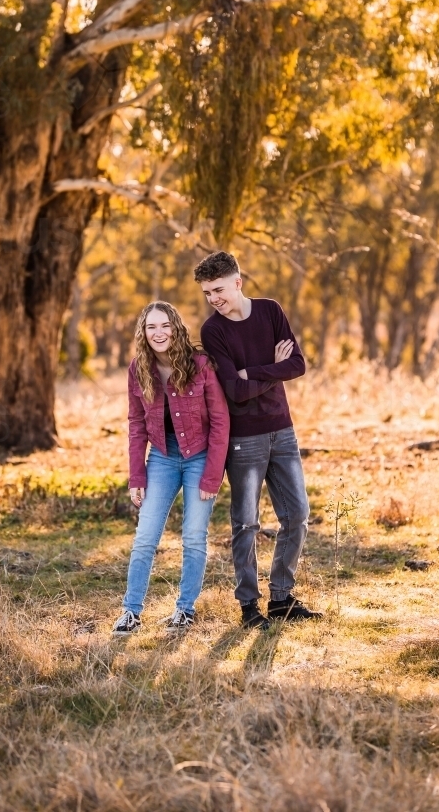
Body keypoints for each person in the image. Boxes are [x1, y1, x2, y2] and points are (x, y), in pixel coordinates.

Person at [194, 251, 321, 630]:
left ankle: (281, 598)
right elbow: (234, 389)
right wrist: (272, 369)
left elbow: (296, 364)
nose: (213, 298)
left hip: (282, 430)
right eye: (206, 293)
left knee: (297, 516)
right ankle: (249, 606)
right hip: (243, 439)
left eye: (218, 289)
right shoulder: (213, 331)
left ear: (237, 281)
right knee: (246, 523)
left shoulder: (269, 311)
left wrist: (255, 370)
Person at [113, 301, 230, 635]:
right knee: (145, 537)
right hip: (162, 458)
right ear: (144, 333)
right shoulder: (138, 369)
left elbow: (220, 421)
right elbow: (136, 424)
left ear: (176, 327)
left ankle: (185, 610)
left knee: (194, 537)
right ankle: (131, 611)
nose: (159, 333)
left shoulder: (201, 365)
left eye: (164, 325)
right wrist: (137, 475)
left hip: (199, 457)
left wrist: (212, 475)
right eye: (151, 327)